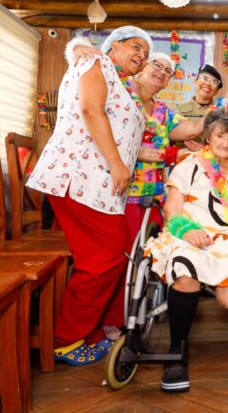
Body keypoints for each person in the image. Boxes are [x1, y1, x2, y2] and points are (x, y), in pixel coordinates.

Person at [27, 26, 152, 364]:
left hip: (99, 186)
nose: (142, 56)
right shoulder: (96, 62)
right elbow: (91, 110)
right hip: (79, 177)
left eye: (146, 54)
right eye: (136, 47)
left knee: (106, 256)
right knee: (107, 256)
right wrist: (118, 165)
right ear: (114, 46)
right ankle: (66, 339)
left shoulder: (116, 79)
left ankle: (88, 332)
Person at [145, 109, 228, 392]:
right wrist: (187, 230)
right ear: (208, 137)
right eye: (221, 136)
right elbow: (171, 208)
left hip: (227, 238)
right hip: (187, 233)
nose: (226, 143)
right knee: (186, 273)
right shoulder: (189, 164)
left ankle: (213, 281)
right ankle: (177, 352)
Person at [124, 53, 208, 244]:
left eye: (168, 71)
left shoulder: (163, 110)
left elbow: (191, 130)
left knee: (152, 250)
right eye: (157, 66)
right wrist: (171, 155)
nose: (162, 72)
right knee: (125, 252)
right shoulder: (124, 96)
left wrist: (216, 113)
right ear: (143, 67)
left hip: (154, 196)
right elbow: (125, 147)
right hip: (123, 195)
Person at [174, 64, 228, 148]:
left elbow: (227, 142)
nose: (208, 84)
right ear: (195, 81)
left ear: (217, 91)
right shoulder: (178, 110)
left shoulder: (222, 112)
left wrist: (205, 150)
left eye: (214, 82)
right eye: (204, 78)